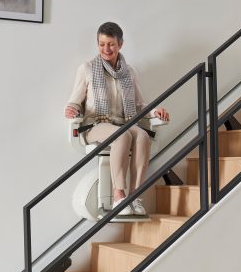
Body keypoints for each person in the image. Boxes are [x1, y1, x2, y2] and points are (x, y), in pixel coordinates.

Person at [65, 22, 169, 216]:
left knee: (142, 136)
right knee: (122, 136)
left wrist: (155, 112)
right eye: (102, 44)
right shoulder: (87, 69)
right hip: (95, 125)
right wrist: (71, 109)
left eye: (111, 44)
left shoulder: (129, 72)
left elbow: (139, 105)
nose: (106, 49)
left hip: (123, 124)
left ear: (120, 44)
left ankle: (134, 196)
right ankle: (118, 196)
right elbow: (74, 101)